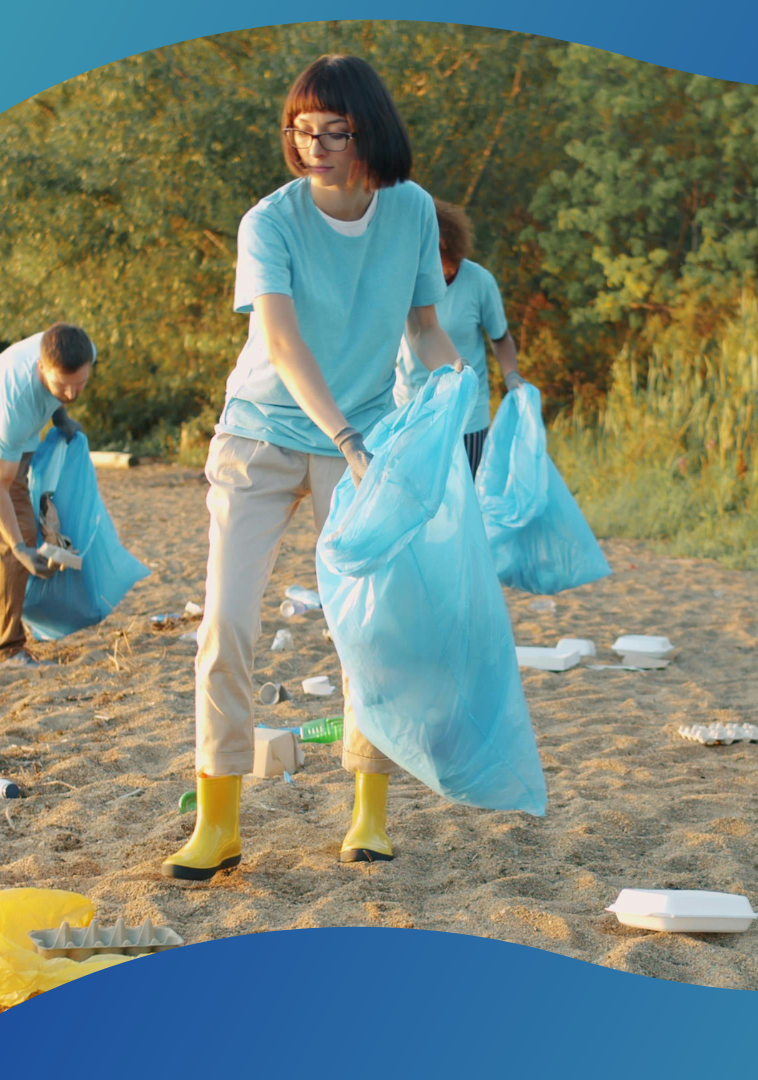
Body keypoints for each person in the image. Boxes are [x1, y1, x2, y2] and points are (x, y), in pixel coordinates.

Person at [165, 55, 469, 881]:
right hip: (265, 433)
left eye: (335, 132)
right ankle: (219, 822)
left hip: (362, 436)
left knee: (367, 625)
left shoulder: (409, 214)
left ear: (371, 132)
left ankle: (369, 811)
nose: (316, 147)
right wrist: (344, 439)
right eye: (302, 131)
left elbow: (425, 329)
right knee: (227, 623)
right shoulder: (269, 221)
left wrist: (458, 394)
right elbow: (284, 343)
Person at [0, 323, 95, 667]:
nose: (73, 394)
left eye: (81, 384)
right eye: (63, 386)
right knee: (18, 533)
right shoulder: (16, 404)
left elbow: (62, 389)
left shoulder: (82, 349)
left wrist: (61, 415)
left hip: (21, 435)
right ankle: (6, 647)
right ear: (40, 368)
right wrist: (21, 548)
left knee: (10, 531)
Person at [392, 198, 523, 475]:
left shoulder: (479, 281)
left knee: (464, 500)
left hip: (467, 414)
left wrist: (511, 376)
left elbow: (500, 338)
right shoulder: (402, 280)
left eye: (441, 255)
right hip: (411, 410)